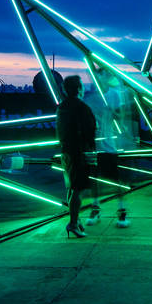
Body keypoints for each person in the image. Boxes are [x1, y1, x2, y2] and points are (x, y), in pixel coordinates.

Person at [85, 70, 134, 228]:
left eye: (103, 76)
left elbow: (122, 116)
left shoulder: (113, 95)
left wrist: (113, 111)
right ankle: (95, 209)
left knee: (115, 180)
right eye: (97, 77)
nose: (99, 79)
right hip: (93, 145)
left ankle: (121, 212)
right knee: (93, 180)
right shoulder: (89, 97)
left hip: (109, 145)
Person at [57, 75, 96, 238]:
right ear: (78, 88)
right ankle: (73, 223)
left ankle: (76, 219)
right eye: (81, 86)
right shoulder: (81, 107)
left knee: (71, 188)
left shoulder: (61, 107)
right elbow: (91, 129)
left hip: (65, 152)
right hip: (78, 153)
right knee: (78, 190)